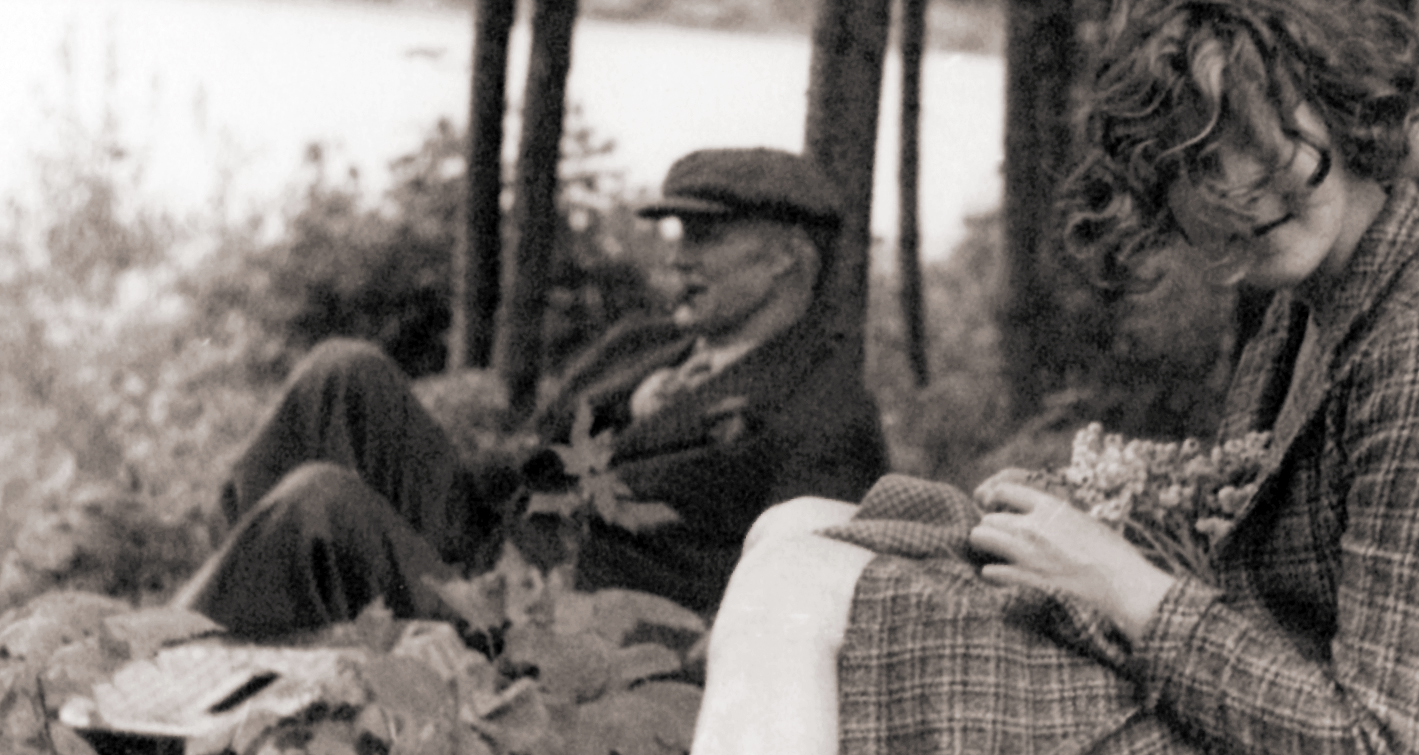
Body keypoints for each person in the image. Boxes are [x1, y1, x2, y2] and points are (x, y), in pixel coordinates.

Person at [662, 0, 1419, 755]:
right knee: (795, 526)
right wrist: (1095, 537)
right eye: (1197, 163)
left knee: (814, 596)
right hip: (1308, 714)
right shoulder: (1323, 302)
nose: (1242, 184)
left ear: (1340, 103)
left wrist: (1121, 587)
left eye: (1265, 129)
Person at [172, 147, 889, 639]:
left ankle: (145, 684)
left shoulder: (825, 413)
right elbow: (530, 459)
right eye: (676, 231)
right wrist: (630, 410)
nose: (676, 255)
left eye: (705, 236)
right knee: (342, 372)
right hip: (495, 549)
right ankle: (210, 608)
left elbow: (805, 598)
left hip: (548, 628)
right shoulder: (646, 347)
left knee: (320, 500)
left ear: (787, 260)